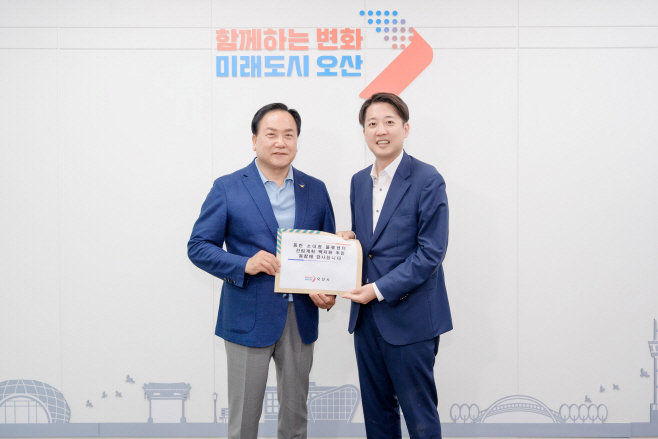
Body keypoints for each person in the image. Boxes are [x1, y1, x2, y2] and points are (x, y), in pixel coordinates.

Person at [188, 103, 336, 439]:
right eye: (271, 134)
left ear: (297, 141)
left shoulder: (316, 189)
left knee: (296, 422)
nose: (280, 142)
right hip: (247, 318)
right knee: (244, 422)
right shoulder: (227, 187)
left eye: (289, 135)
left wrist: (328, 291)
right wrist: (244, 264)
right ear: (254, 140)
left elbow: (326, 254)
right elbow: (198, 246)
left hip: (300, 317)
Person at [337, 93, 452, 439]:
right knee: (377, 417)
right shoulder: (359, 181)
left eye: (389, 122)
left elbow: (431, 253)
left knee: (420, 418)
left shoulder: (427, 179)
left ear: (405, 128)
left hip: (410, 319)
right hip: (366, 321)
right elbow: (373, 245)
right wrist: (351, 241)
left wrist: (377, 290)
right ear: (364, 131)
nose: (381, 130)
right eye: (372, 123)